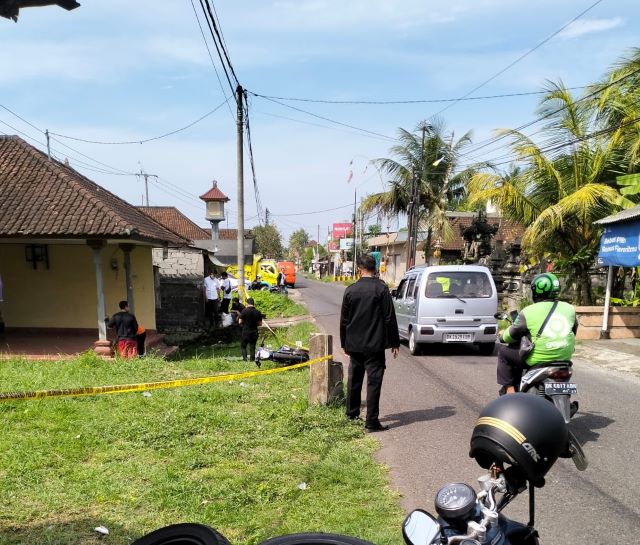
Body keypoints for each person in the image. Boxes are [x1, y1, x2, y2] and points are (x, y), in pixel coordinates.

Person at [340, 254, 400, 432]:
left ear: (359, 269)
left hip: (355, 345)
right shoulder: (381, 290)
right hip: (375, 345)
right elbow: (389, 317)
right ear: (374, 268)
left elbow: (344, 320)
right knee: (374, 382)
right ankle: (371, 421)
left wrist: (344, 344)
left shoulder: (350, 290)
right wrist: (395, 342)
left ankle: (351, 414)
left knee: (354, 380)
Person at [497, 272, 578, 394]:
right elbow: (573, 330)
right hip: (564, 357)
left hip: (538, 358)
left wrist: (502, 336)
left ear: (536, 291)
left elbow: (511, 335)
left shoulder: (528, 311)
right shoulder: (569, 308)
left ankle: (510, 392)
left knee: (504, 353)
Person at [238, 297, 263, 363]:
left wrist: (244, 324)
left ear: (247, 303)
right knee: (252, 347)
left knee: (243, 346)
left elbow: (240, 322)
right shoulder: (258, 312)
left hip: (245, 332)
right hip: (254, 332)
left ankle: (245, 360)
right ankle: (252, 360)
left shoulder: (244, 311)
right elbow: (260, 324)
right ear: (253, 303)